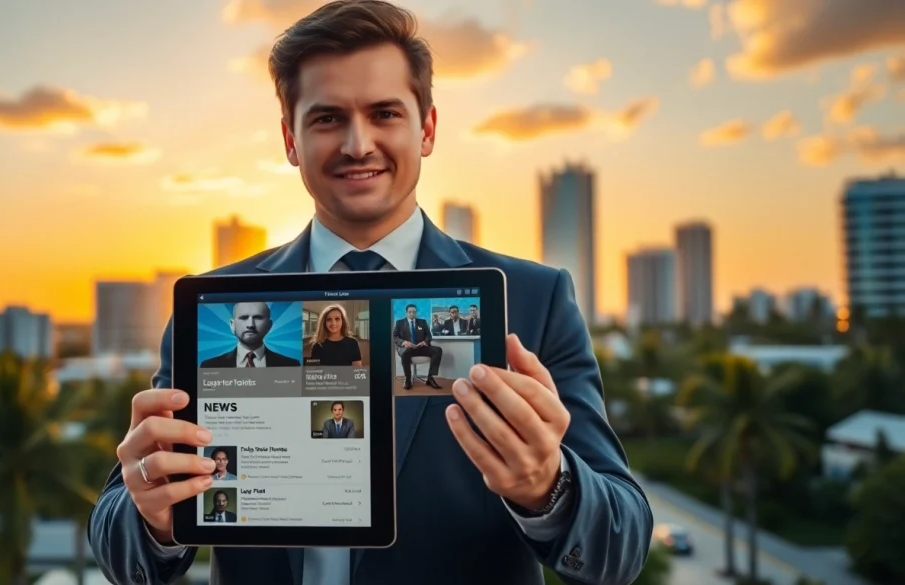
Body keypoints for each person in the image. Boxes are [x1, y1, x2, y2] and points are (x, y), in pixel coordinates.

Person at [88, 1, 653, 584]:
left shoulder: (533, 301)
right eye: (327, 118)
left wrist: (547, 485)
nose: (358, 144)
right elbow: (120, 548)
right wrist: (152, 515)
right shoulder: (211, 308)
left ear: (427, 128)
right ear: (290, 140)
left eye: (384, 113)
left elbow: (620, 549)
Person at [199, 301, 300, 367]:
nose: (250, 325)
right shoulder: (209, 366)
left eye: (258, 318)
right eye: (243, 318)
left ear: (269, 325)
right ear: (232, 325)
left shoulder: (291, 365)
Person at [392, 303, 443, 388]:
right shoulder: (399, 323)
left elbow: (428, 336)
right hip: (407, 348)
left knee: (438, 350)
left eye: (414, 312)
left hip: (420, 347)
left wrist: (424, 342)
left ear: (416, 312)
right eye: (410, 312)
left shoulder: (422, 322)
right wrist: (404, 342)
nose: (412, 314)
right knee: (405, 352)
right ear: (406, 313)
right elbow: (395, 336)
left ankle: (430, 378)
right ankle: (408, 378)